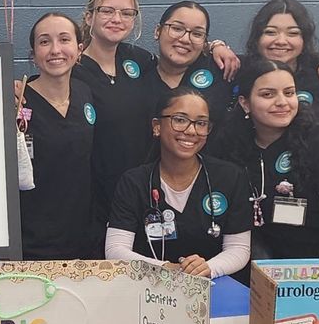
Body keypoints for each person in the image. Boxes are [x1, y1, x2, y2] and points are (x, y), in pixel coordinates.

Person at [73, 0, 240, 232]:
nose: (116, 19)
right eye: (107, 11)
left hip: (186, 194)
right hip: (110, 192)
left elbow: (268, 75)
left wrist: (216, 45)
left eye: (126, 13)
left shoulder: (138, 60)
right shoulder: (75, 70)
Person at [106, 88, 251, 278]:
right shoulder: (134, 182)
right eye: (180, 120)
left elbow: (239, 249)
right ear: (157, 126)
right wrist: (166, 268)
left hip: (212, 288)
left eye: (201, 123)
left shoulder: (230, 177)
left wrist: (208, 268)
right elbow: (115, 250)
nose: (191, 131)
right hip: (150, 289)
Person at [219, 59, 319, 259]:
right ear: (245, 103)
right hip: (261, 268)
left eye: (289, 93)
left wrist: (318, 283)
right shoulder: (232, 145)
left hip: (316, 270)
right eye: (268, 94)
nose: (282, 102)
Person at [18, 12, 97, 259]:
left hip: (82, 238)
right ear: (33, 54)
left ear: (80, 49)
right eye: (44, 42)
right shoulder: (16, 102)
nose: (55, 49)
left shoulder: (85, 93)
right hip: (32, 241)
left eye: (64, 40)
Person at [244, 0, 319, 156]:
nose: (281, 41)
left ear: (304, 39)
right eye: (270, 32)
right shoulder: (241, 72)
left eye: (293, 33)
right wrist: (216, 46)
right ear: (257, 38)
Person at [140, 1, 235, 126]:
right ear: (158, 31)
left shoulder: (222, 69)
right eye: (177, 28)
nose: (185, 39)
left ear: (204, 41)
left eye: (197, 34)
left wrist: (217, 45)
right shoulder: (140, 74)